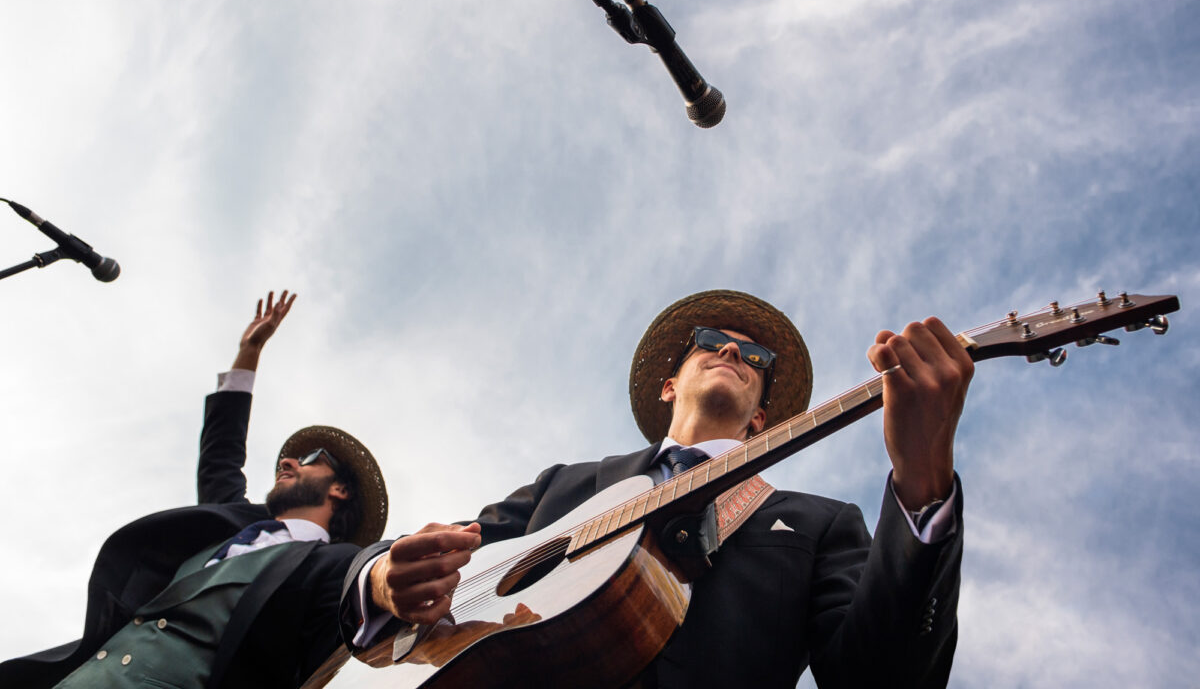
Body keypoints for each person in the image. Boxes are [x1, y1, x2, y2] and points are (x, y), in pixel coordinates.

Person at [350, 290, 972, 687]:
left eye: (755, 357)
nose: (733, 347)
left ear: (761, 417)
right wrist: (380, 580)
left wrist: (923, 489)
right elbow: (443, 556)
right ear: (670, 386)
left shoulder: (819, 524)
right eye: (710, 340)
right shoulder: (564, 485)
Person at [0, 291, 389, 689]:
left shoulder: (337, 563)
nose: (286, 462)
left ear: (340, 489)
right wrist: (249, 352)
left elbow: (369, 580)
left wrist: (385, 574)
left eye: (310, 459)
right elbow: (221, 453)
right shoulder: (230, 523)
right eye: (285, 461)